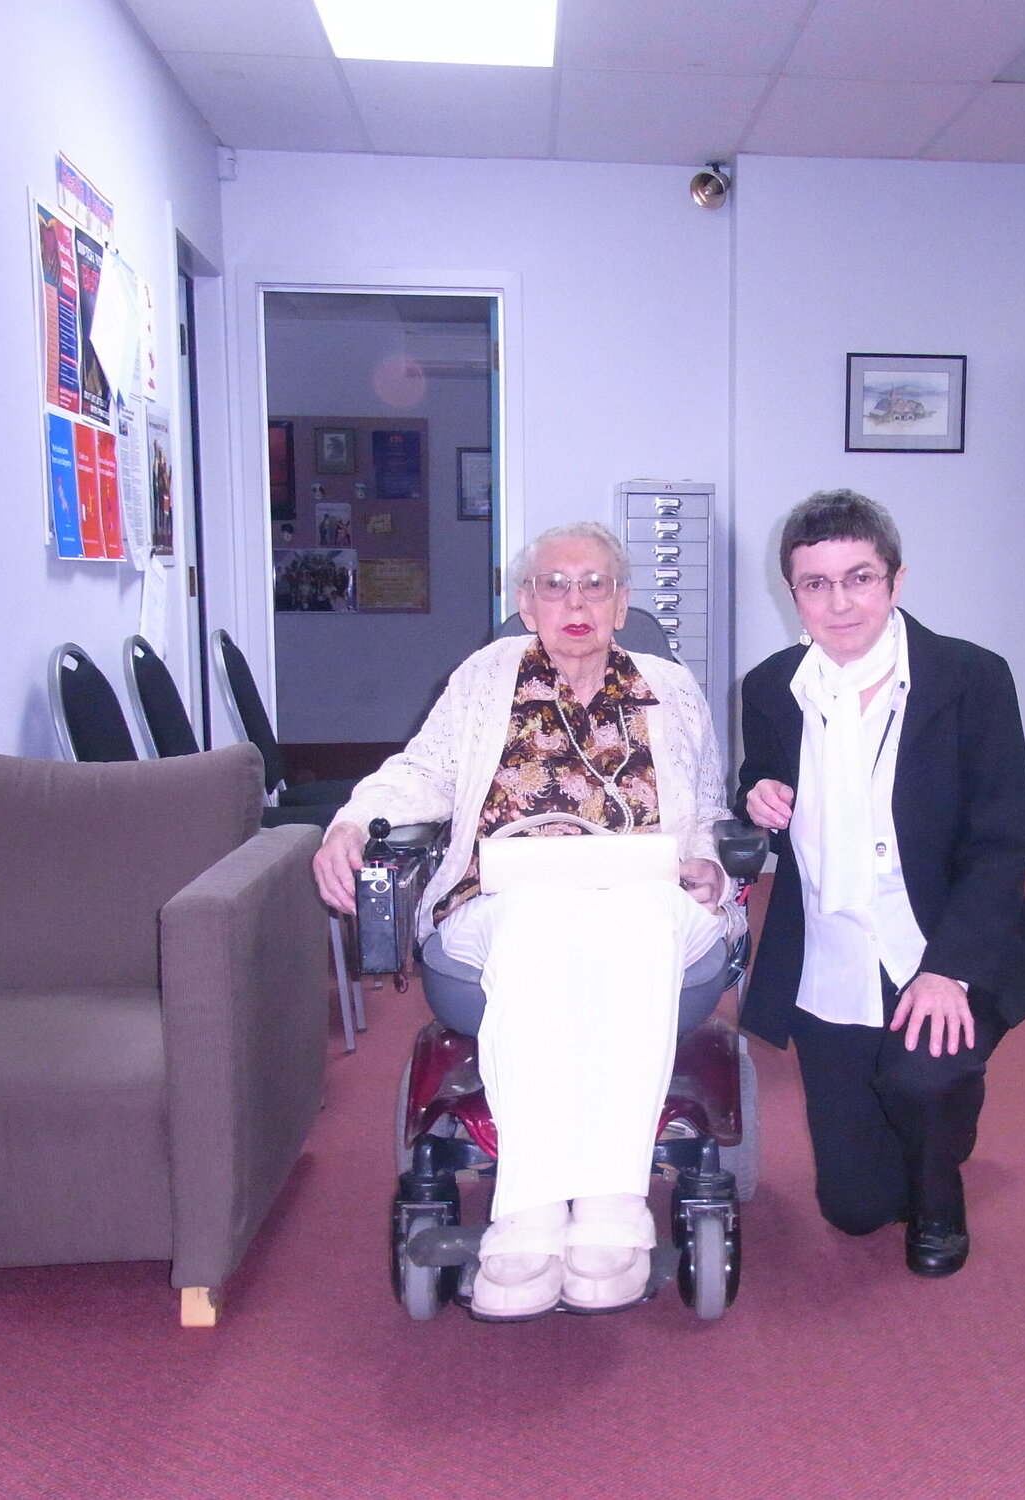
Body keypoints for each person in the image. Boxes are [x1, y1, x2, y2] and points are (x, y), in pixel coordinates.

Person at [314, 521, 740, 1320]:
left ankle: (610, 1210)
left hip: (650, 908)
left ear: (621, 603)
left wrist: (711, 865)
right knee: (541, 915)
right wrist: (352, 823)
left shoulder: (672, 691)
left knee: (635, 912)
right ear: (526, 602)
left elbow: (711, 812)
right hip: (502, 907)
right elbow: (421, 772)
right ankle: (530, 1215)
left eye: (594, 585)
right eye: (555, 585)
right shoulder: (487, 679)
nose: (575, 603)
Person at [736, 490, 1025, 1277]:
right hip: (832, 951)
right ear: (793, 592)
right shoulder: (772, 687)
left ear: (896, 579)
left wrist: (949, 970)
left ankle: (942, 1178)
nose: (840, 603)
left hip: (938, 940)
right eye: (816, 584)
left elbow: (1000, 842)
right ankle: (922, 1123)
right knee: (855, 1209)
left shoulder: (970, 677)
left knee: (923, 1078)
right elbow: (763, 783)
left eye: (859, 578)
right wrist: (756, 793)